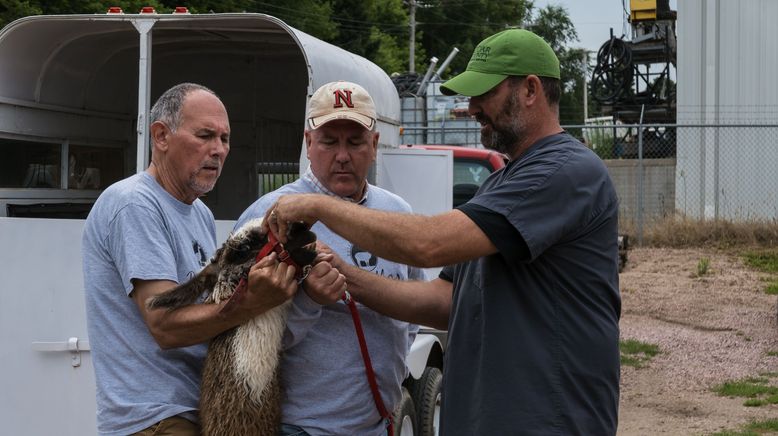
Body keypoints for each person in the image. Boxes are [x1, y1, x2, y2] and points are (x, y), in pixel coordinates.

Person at [263, 29, 621, 435]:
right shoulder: (501, 183)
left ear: (531, 90)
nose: (471, 108)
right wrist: (342, 272)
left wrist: (315, 203)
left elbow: (428, 244)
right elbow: (444, 301)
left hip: (547, 421)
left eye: (483, 93)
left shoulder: (564, 171)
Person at [82, 83, 306, 436]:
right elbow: (165, 326)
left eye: (225, 139)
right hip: (153, 418)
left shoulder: (198, 212)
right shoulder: (134, 204)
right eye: (205, 135)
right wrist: (252, 303)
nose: (218, 150)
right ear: (161, 136)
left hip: (193, 408)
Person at [234, 80, 425, 436]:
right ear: (308, 144)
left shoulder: (397, 213)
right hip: (301, 427)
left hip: (380, 423)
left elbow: (412, 309)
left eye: (354, 142)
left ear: (375, 145)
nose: (342, 155)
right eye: (328, 141)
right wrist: (309, 303)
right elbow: (244, 342)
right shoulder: (268, 217)